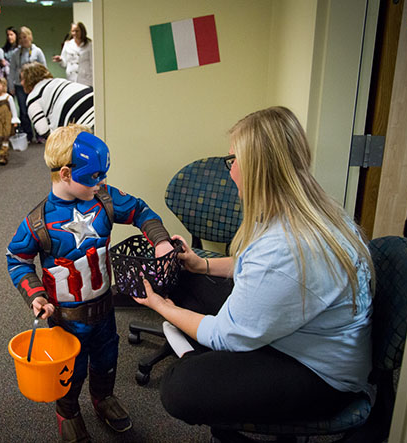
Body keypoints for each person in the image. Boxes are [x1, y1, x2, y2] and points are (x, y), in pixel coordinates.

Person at [134, 106, 374, 426]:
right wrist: (200, 265)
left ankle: (201, 359)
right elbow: (252, 266)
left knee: (180, 386)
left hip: (320, 375)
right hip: (296, 333)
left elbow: (226, 333)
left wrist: (160, 307)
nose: (230, 170)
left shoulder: (287, 248)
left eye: (233, 161)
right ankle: (213, 354)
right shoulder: (305, 209)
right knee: (183, 278)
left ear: (258, 168)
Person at [6, 125, 174, 442]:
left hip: (104, 310)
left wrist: (160, 241)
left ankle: (103, 399)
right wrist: (36, 296)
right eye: (94, 176)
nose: (102, 183)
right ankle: (68, 413)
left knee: (107, 359)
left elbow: (139, 210)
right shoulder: (38, 221)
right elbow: (17, 259)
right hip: (65, 321)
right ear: (66, 173)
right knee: (71, 373)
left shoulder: (104, 201)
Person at [21, 62, 94, 139]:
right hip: (96, 103)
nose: (21, 83)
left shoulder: (33, 97)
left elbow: (43, 130)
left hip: (79, 120)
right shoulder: (58, 80)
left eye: (22, 79)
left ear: (28, 79)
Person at [9, 26, 46, 143]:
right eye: (20, 38)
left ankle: (40, 134)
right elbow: (12, 70)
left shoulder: (37, 51)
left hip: (35, 85)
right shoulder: (16, 53)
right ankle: (28, 135)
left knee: (36, 109)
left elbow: (44, 68)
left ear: (30, 37)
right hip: (20, 86)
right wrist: (11, 86)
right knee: (24, 111)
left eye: (25, 37)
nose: (23, 40)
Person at [53, 22, 92, 86]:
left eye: (77, 31)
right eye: (73, 31)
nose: (75, 33)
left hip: (86, 78)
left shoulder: (89, 45)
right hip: (71, 78)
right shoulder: (67, 44)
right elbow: (64, 63)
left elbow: (92, 63)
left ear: (82, 31)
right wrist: (60, 60)